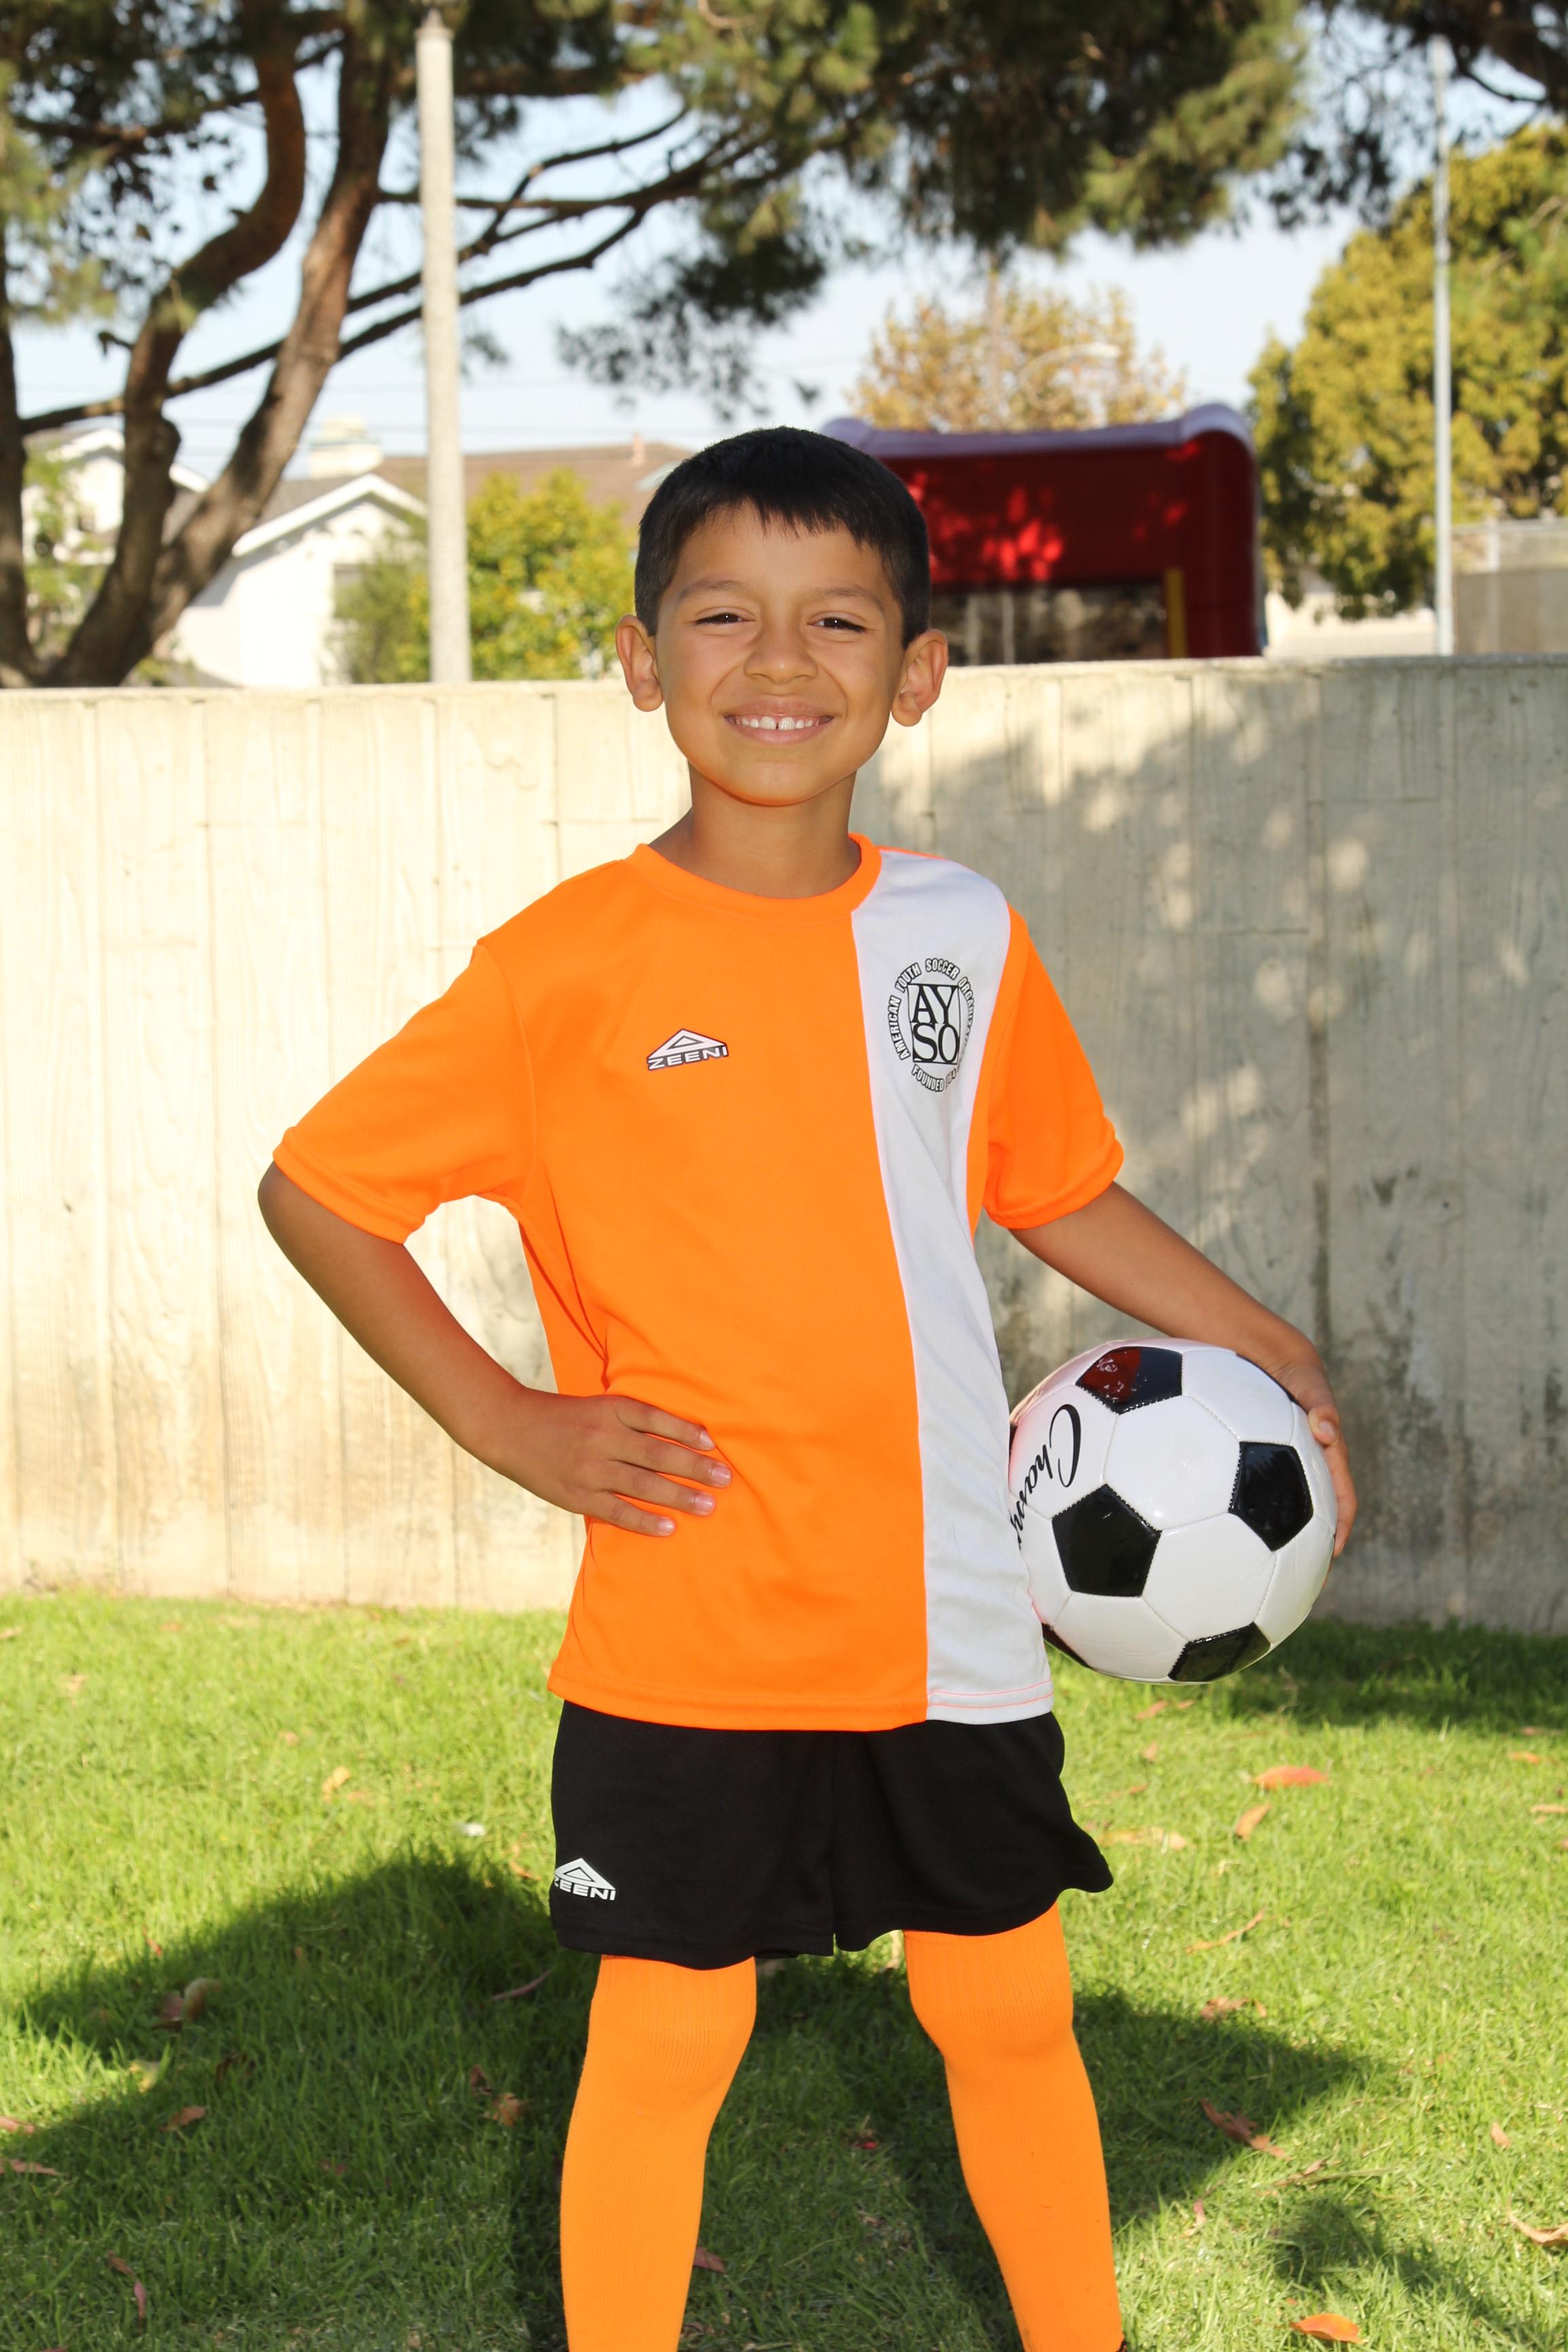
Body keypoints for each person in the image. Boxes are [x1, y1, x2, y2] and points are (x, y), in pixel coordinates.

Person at [260, 426, 1356, 2351]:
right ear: (640, 659)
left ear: (915, 673)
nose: (781, 661)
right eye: (724, 617)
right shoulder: (563, 968)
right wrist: (508, 1421)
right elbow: (321, 1191)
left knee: (1006, 2013)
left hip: (948, 1608)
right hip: (692, 1616)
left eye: (838, 621)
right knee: (668, 2037)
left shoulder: (960, 931)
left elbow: (1053, 1186)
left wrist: (1261, 1331)